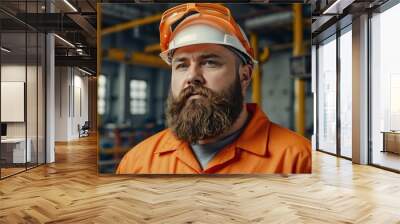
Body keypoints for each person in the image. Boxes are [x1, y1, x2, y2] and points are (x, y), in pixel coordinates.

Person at [116, 3, 311, 174]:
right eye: (182, 65)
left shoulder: (299, 160)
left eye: (210, 62)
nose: (192, 77)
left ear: (245, 75)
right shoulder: (137, 163)